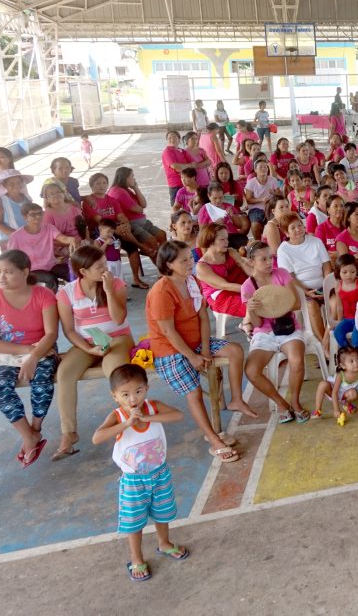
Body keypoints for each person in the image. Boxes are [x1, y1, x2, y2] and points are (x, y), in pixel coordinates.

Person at [145, 240, 244, 463]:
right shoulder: (161, 291)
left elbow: (202, 316)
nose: (191, 263)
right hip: (170, 350)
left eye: (191, 258)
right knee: (194, 393)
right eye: (184, 260)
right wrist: (192, 356)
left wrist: (206, 350)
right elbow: (168, 332)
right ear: (169, 264)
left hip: (196, 342)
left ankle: (236, 399)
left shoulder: (192, 282)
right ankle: (213, 439)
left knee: (235, 350)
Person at [91, 364, 187, 582]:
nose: (132, 399)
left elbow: (178, 415)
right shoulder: (116, 415)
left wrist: (147, 418)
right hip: (133, 481)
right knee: (134, 522)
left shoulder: (153, 407)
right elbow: (97, 438)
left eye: (138, 391)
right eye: (125, 394)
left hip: (160, 473)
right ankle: (136, 558)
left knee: (162, 512)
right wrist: (127, 424)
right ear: (115, 396)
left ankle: (164, 544)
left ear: (146, 388)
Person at [52, 245, 140, 460]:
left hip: (118, 339)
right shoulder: (67, 293)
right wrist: (88, 348)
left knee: (116, 372)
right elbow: (69, 331)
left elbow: (118, 319)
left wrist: (109, 290)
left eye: (105, 263)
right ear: (83, 271)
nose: (105, 268)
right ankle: (69, 433)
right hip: (86, 343)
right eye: (99, 266)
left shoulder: (115, 283)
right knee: (65, 373)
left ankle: (129, 422)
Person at [0, 250, 59, 466]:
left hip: (43, 349)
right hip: (7, 352)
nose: (1, 277)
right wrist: (27, 352)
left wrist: (35, 355)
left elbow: (51, 334)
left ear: (25, 272)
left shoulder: (44, 295)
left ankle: (36, 427)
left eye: (8, 272)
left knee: (42, 381)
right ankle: (28, 435)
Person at [240, 241, 310, 422]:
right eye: (263, 259)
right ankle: (282, 404)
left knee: (296, 360)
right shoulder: (247, 287)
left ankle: (295, 403)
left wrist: (274, 303)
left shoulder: (282, 274)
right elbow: (256, 323)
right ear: (251, 262)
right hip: (264, 333)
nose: (269, 262)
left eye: (270, 257)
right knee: (251, 370)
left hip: (287, 327)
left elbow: (295, 304)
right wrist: (253, 309)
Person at [195, 223, 252, 322]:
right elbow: (225, 285)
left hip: (238, 287)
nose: (227, 242)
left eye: (227, 238)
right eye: (222, 239)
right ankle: (249, 327)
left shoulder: (230, 252)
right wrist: (253, 288)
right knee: (256, 307)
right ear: (210, 240)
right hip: (221, 297)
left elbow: (244, 264)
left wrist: (260, 280)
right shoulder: (202, 266)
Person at [109, 167, 166, 259]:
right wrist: (140, 207)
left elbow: (143, 204)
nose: (134, 178)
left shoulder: (126, 189)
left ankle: (163, 257)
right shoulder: (119, 192)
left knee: (162, 235)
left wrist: (136, 188)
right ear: (126, 178)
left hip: (141, 222)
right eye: (132, 176)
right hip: (132, 224)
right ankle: (160, 264)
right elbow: (139, 209)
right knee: (152, 242)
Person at [313, 346, 358, 421]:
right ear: (343, 365)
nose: (356, 363)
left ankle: (347, 405)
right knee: (323, 384)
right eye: (351, 361)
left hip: (345, 395)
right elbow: (334, 393)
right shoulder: (341, 375)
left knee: (354, 393)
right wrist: (336, 410)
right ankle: (317, 410)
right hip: (333, 392)